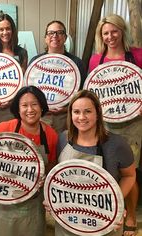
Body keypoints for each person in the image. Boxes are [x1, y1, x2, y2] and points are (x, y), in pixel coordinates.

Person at [0, 85, 58, 236]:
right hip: (3, 200)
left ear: (42, 106)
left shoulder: (50, 135)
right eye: (24, 105)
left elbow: (51, 166)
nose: (30, 109)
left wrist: (44, 178)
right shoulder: (2, 129)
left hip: (33, 203)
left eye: (35, 104)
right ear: (17, 108)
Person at [49, 89, 136, 236]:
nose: (81, 117)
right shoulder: (63, 139)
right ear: (71, 114)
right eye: (76, 112)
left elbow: (129, 176)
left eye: (88, 111)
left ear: (97, 113)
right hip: (68, 219)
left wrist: (115, 204)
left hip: (103, 220)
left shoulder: (117, 144)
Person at [88, 14, 142, 236]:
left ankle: (130, 215)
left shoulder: (137, 55)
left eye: (114, 31)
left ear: (122, 31)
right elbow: (92, 93)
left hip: (133, 123)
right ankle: (111, 211)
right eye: (106, 33)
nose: (110, 37)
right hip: (106, 124)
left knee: (130, 170)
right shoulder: (96, 60)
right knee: (109, 170)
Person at [29, 20, 87, 134]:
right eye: (51, 33)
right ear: (45, 38)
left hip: (65, 116)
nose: (54, 36)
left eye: (59, 32)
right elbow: (30, 92)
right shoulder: (35, 62)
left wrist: (66, 108)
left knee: (64, 148)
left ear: (65, 37)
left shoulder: (76, 63)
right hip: (41, 115)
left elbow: (82, 94)